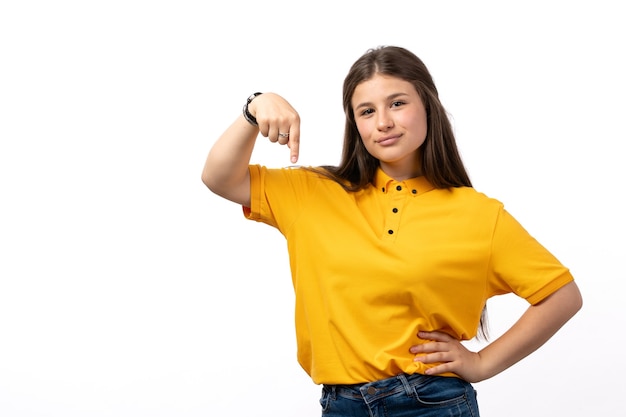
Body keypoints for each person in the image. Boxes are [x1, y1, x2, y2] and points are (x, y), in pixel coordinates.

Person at [201, 45, 583, 416]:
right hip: (340, 405)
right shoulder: (313, 192)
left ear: (428, 107)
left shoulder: (479, 214)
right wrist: (255, 107)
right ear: (356, 124)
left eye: (397, 103)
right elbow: (219, 177)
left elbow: (561, 296)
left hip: (432, 403)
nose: (383, 122)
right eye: (367, 111)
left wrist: (481, 362)